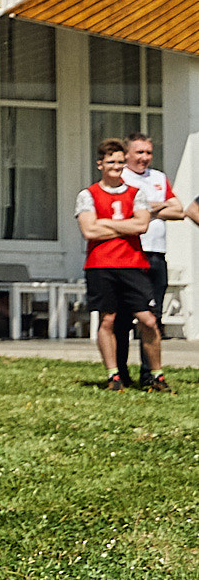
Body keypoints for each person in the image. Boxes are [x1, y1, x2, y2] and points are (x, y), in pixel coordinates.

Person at [78, 138, 164, 392]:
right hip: (100, 265)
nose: (115, 166)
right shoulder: (88, 195)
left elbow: (142, 225)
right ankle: (114, 375)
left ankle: (156, 375)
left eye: (119, 162)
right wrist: (125, 226)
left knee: (148, 320)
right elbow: (89, 231)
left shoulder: (136, 193)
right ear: (100, 164)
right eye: (110, 162)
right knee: (108, 320)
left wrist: (106, 223)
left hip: (132, 263)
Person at [121, 132, 181, 390]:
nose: (144, 158)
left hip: (156, 254)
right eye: (139, 152)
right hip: (130, 253)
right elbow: (125, 215)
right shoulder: (121, 178)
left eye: (148, 153)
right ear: (127, 154)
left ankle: (149, 374)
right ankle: (120, 373)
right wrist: (158, 208)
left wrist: (147, 208)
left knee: (153, 318)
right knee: (124, 316)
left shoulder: (158, 178)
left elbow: (179, 210)